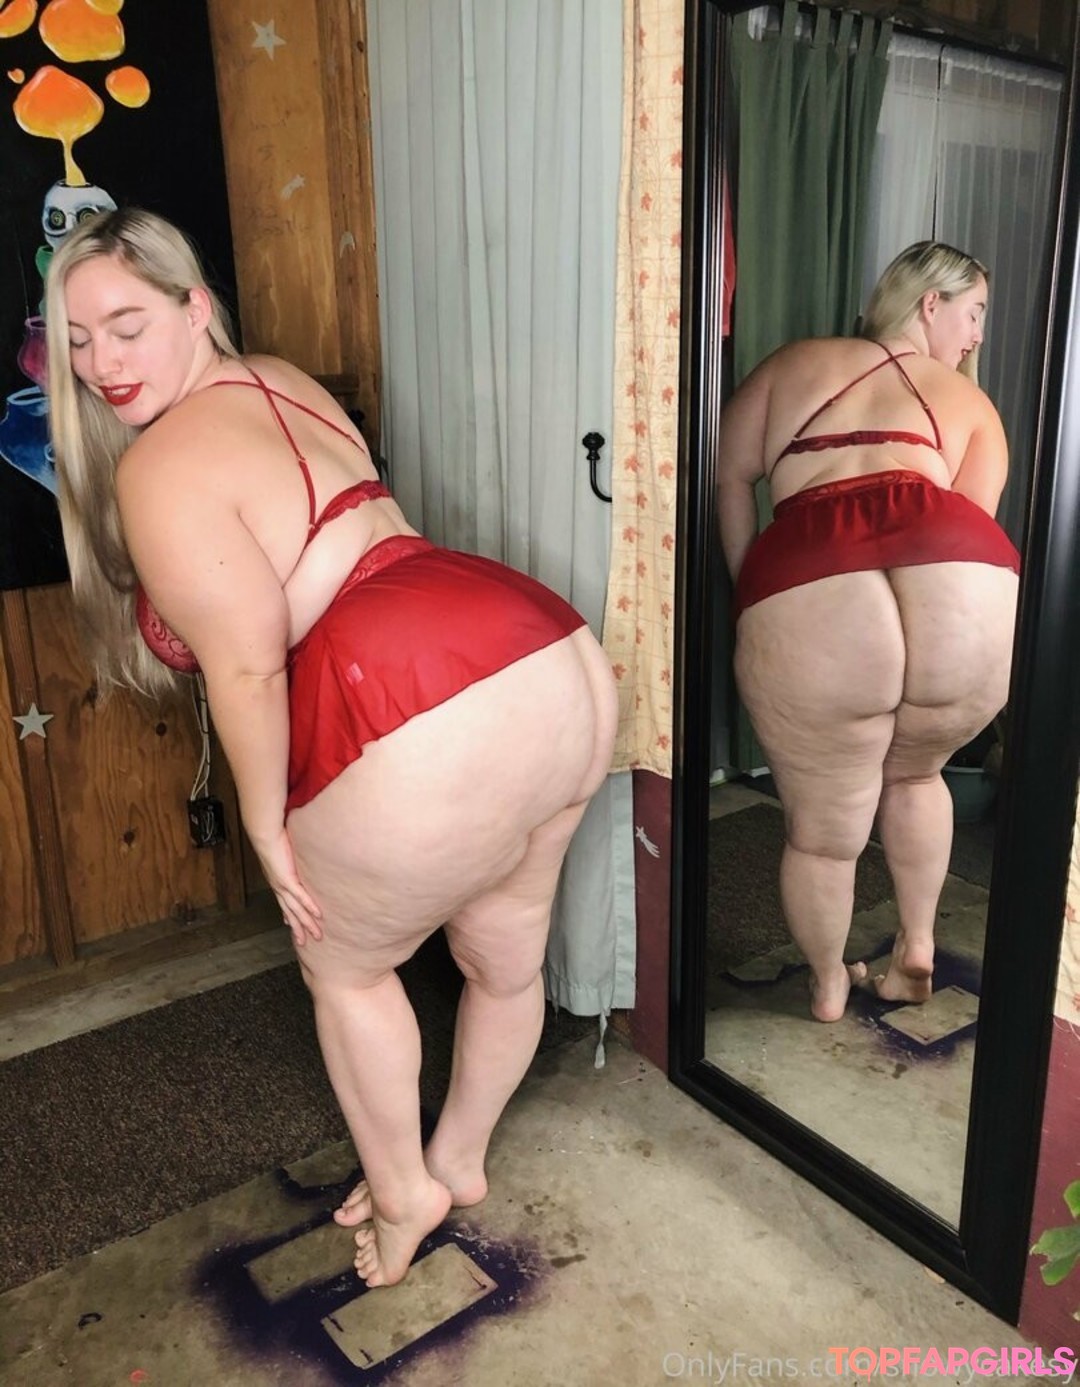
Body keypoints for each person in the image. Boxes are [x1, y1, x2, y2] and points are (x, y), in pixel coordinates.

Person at [45, 207, 617, 1286]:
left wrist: (266, 827)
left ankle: (404, 1195)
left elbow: (249, 669)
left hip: (419, 692)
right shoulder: (283, 380)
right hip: (552, 655)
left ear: (194, 307)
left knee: (345, 968)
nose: (102, 365)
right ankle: (456, 1158)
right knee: (505, 957)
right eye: (76, 341)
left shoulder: (158, 465)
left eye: (126, 326)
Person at [716, 241, 1020, 1023]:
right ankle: (915, 948)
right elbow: (967, 523)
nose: (978, 335)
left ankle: (827, 984)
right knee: (918, 776)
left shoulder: (792, 365)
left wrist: (754, 582)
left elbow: (730, 476)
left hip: (813, 578)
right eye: (974, 312)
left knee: (824, 827)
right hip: (961, 579)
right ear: (930, 304)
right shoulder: (972, 406)